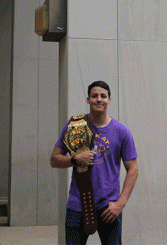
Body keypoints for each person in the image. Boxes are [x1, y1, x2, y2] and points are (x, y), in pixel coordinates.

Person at [50, 80, 139, 245]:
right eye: (94, 96)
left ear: (109, 100)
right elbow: (54, 160)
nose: (99, 99)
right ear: (88, 99)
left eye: (103, 96)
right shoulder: (74, 127)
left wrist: (120, 203)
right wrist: (75, 159)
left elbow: (133, 169)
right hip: (78, 205)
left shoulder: (122, 132)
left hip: (108, 208)